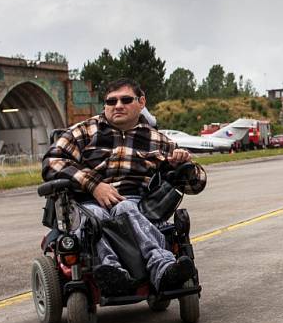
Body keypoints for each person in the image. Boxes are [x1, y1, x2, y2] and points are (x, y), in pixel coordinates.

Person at [42, 78, 206, 295]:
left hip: (135, 203)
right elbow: (51, 162)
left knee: (125, 208)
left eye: (125, 100)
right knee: (95, 217)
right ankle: (112, 273)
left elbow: (198, 184)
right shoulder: (84, 132)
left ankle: (164, 270)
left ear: (141, 102)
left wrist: (184, 165)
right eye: (111, 101)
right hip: (85, 203)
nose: (117, 105)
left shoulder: (157, 140)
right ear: (105, 106)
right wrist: (94, 185)